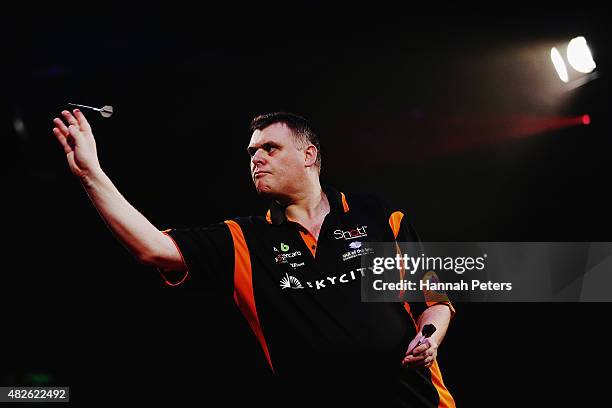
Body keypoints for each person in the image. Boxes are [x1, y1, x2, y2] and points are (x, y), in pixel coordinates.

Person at [52, 110, 456, 407]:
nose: (256, 159)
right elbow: (151, 247)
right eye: (251, 152)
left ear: (309, 155)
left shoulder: (378, 216)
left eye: (270, 148)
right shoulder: (243, 238)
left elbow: (433, 303)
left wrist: (429, 339)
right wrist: (91, 173)